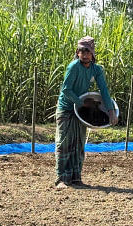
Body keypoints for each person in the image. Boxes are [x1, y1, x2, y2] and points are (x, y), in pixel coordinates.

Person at [55, 36, 118, 189]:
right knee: (64, 143)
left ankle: (76, 178)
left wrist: (111, 111)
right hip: (67, 108)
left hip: (81, 110)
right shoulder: (73, 67)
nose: (85, 54)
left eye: (88, 51)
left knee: (78, 144)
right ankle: (61, 179)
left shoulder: (96, 69)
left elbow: (104, 90)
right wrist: (82, 103)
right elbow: (66, 90)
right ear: (77, 53)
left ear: (92, 54)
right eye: (82, 51)